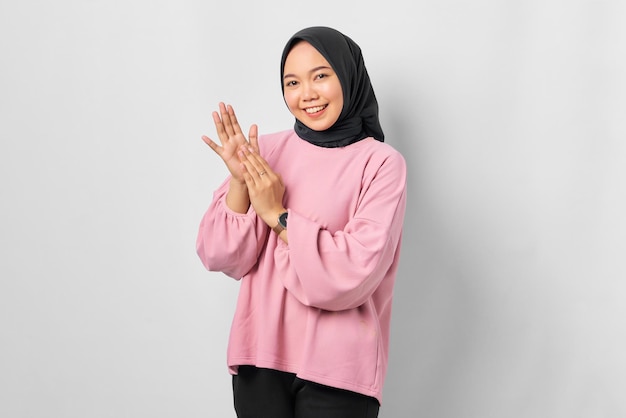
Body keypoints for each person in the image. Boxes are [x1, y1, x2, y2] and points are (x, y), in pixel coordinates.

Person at [196, 26, 407, 418]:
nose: (306, 94)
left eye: (321, 76)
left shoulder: (381, 164)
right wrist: (241, 182)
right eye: (292, 82)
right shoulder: (267, 151)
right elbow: (220, 255)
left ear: (348, 76)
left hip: (340, 370)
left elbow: (353, 273)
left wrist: (278, 216)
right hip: (259, 356)